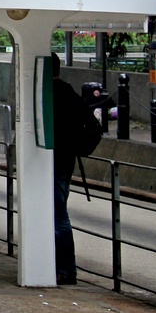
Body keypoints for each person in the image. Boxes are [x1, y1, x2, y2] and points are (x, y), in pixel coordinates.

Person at [51, 53, 90, 285]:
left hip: (54, 160)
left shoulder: (52, 94)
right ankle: (62, 267)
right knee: (58, 213)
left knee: (58, 217)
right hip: (66, 160)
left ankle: (66, 269)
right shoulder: (69, 93)